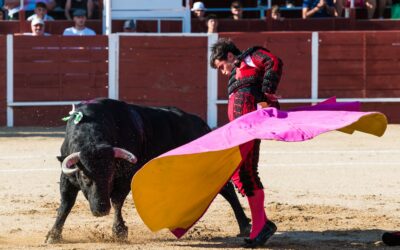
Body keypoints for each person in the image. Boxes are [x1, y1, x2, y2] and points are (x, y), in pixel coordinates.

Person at [210, 38, 283, 248]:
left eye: (221, 66)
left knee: (247, 172)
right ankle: (262, 224)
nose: (223, 72)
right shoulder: (235, 74)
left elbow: (274, 62)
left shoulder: (252, 56)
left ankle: (260, 227)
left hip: (250, 126)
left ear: (230, 56)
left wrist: (267, 92)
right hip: (240, 130)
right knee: (239, 173)